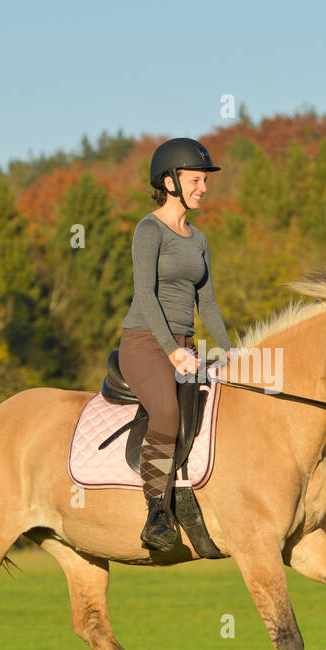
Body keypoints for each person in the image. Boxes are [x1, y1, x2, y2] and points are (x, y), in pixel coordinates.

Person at [119, 137, 234, 551]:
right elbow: (145, 295)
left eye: (205, 181)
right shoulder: (148, 230)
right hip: (145, 343)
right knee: (166, 410)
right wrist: (172, 351)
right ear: (169, 181)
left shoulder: (198, 239)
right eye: (196, 179)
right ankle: (156, 515)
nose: (203, 187)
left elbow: (209, 302)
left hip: (185, 345)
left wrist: (232, 352)